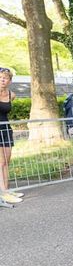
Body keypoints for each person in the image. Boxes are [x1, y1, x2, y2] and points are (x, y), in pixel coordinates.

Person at [0, 67, 23, 204]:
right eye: (0, 77)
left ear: (9, 81)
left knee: (7, 161)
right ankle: (2, 193)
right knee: (0, 162)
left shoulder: (11, 95)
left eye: (5, 78)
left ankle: (6, 189)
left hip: (6, 129)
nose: (2, 80)